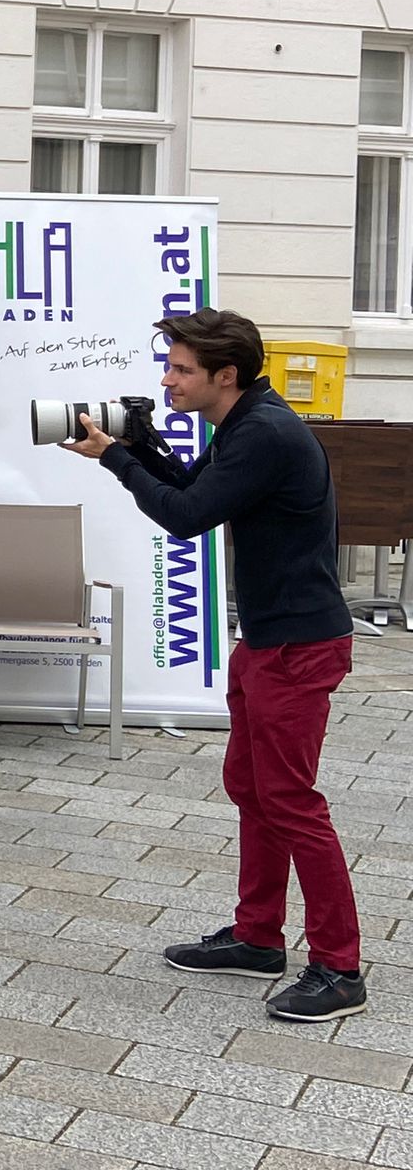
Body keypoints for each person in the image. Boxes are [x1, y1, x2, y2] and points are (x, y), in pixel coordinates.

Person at [65, 308, 364, 1022]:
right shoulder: (245, 421)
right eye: (168, 366)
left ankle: (340, 968)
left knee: (291, 800)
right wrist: (140, 444)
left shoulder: (265, 433)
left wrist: (114, 458)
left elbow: (184, 517)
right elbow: (192, 489)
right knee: (253, 789)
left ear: (225, 375)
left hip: (298, 646)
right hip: (268, 639)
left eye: (181, 369)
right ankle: (259, 937)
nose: (168, 380)